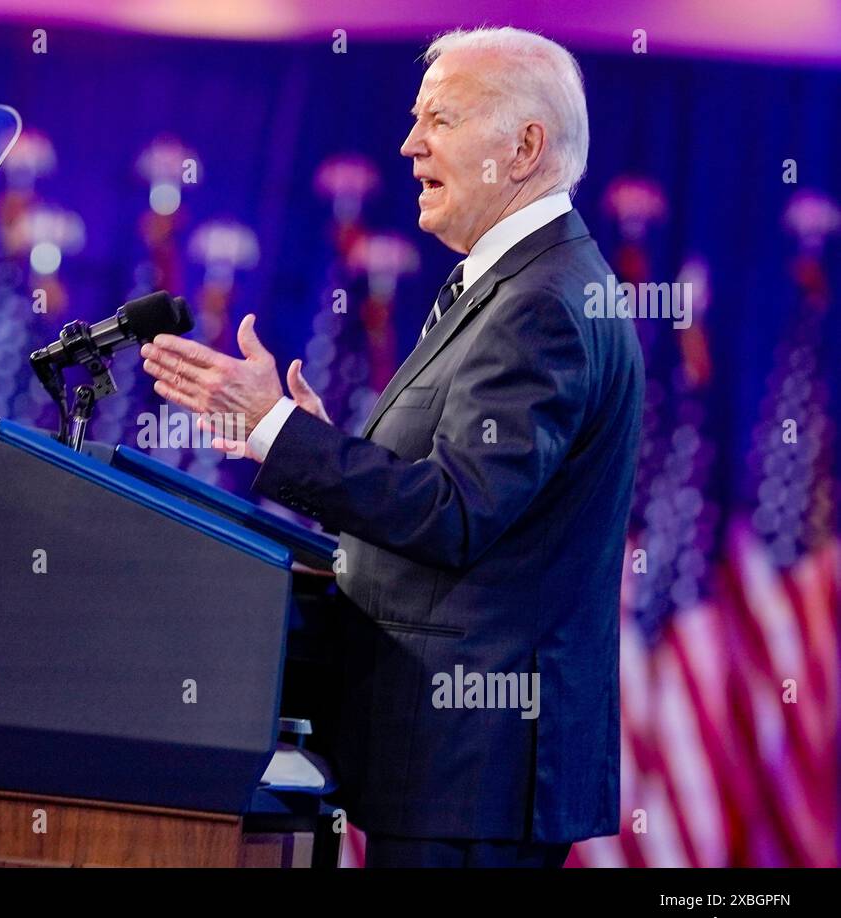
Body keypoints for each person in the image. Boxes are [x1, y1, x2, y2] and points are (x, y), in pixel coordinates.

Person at [140, 26, 644, 867]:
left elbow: (457, 513)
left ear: (524, 148)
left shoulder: (543, 303)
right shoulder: (520, 285)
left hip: (471, 770)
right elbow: (467, 497)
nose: (410, 144)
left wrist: (279, 433)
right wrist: (312, 444)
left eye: (439, 120)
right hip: (449, 767)